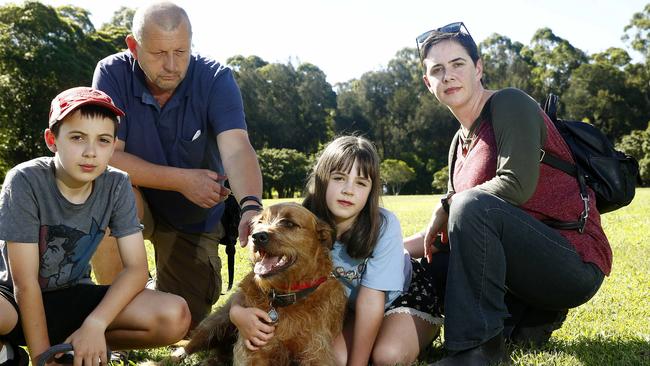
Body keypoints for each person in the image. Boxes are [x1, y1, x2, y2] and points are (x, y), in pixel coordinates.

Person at [413, 22, 611, 365]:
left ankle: (479, 351)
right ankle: (524, 320)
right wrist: (379, 248)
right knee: (434, 259)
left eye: (458, 64)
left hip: (572, 262)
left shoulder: (509, 104)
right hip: (521, 264)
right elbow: (449, 229)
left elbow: (515, 184)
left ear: (478, 68)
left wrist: (447, 204)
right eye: (437, 70)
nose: (448, 76)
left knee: (471, 205)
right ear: (427, 82)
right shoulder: (457, 144)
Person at [91, 1, 263, 328]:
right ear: (133, 46)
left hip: (193, 218)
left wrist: (251, 207)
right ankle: (113, 322)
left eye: (181, 52)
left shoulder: (216, 78)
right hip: (137, 202)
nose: (172, 65)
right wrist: (182, 180)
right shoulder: (112, 73)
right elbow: (108, 155)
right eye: (158, 54)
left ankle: (152, 289)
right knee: (105, 190)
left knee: (186, 320)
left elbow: (237, 148)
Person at [0, 87, 190, 366]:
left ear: (114, 145)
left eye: (103, 140)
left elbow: (137, 268)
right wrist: (43, 359)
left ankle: (78, 344)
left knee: (175, 315)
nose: (91, 152)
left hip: (72, 294)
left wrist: (95, 324)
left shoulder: (117, 184)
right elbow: (25, 284)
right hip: (10, 298)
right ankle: (11, 352)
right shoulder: (25, 180)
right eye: (77, 138)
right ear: (52, 140)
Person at [229, 136, 444, 366]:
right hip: (351, 308)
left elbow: (371, 303)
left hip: (404, 298)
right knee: (336, 359)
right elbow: (261, 276)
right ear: (322, 180)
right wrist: (236, 313)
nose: (349, 190)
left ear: (371, 191)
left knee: (387, 356)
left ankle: (423, 330)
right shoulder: (302, 222)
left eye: (361, 183)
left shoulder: (382, 225)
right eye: (339, 178)